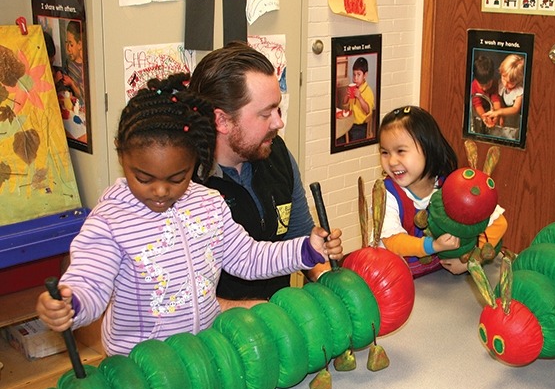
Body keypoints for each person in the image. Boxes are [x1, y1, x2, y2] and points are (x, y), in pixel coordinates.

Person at [35, 74, 343, 356]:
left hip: (204, 351)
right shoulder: (111, 220)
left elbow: (248, 258)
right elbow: (90, 281)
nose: (160, 191)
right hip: (141, 365)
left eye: (176, 178)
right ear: (121, 156)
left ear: (194, 162)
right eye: (143, 177)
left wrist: (306, 249)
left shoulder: (208, 204)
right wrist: (70, 303)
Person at [188, 41, 331, 309]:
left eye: (278, 109)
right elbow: (176, 303)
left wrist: (325, 276)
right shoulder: (183, 184)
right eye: (266, 114)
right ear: (222, 121)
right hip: (216, 338)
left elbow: (299, 236)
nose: (279, 122)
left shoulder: (275, 153)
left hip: (281, 322)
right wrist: (256, 312)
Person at [377, 105, 507, 277]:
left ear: (428, 149)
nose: (392, 161)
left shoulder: (453, 185)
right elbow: (393, 241)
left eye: (400, 151)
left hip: (441, 280)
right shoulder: (386, 194)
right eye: (385, 152)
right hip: (400, 281)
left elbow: (498, 223)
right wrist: (434, 246)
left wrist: (471, 261)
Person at [482, 54, 524, 126]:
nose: (505, 84)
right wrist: (501, 116)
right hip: (506, 116)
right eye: (504, 78)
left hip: (517, 120)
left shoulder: (519, 91)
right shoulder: (501, 84)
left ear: (518, 80)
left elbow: (515, 109)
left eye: (510, 83)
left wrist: (499, 112)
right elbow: (500, 100)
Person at [343, 56, 374, 141]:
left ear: (365, 75)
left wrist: (360, 98)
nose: (355, 78)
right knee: (341, 138)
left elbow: (368, 110)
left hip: (360, 126)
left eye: (358, 74)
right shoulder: (353, 88)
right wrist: (347, 95)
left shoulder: (368, 91)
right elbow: (345, 103)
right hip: (350, 122)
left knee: (354, 141)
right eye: (354, 74)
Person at [470, 54, 501, 128]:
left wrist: (496, 114)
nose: (484, 89)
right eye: (481, 85)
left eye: (487, 85)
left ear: (492, 78)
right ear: (476, 80)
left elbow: (496, 100)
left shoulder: (495, 83)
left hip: (491, 109)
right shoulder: (473, 86)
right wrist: (484, 117)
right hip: (480, 111)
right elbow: (478, 105)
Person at [62, 20, 84, 104]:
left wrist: (71, 83)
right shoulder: (69, 62)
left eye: (71, 45)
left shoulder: (83, 70)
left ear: (79, 45)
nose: (68, 49)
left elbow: (82, 96)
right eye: (66, 43)